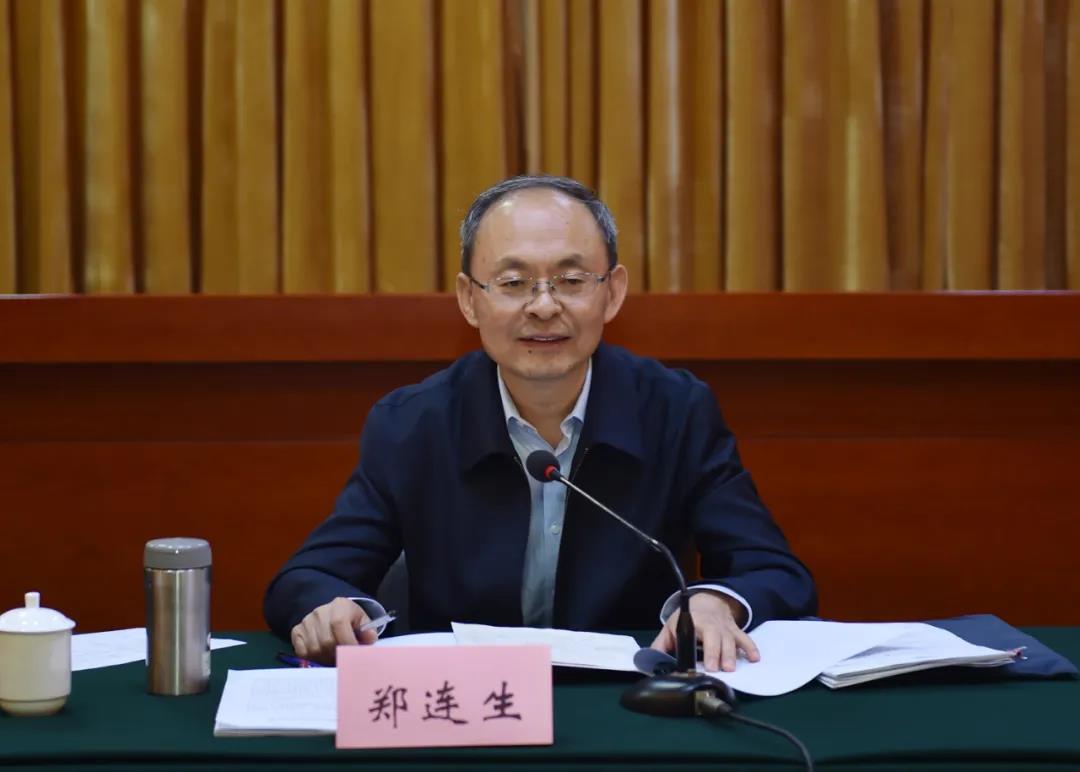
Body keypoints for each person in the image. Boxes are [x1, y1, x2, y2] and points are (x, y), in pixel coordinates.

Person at [264, 175, 817, 670]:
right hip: (467, 709)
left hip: (626, 705)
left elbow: (774, 571)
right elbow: (308, 578)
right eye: (513, 283)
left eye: (571, 280)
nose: (544, 306)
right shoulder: (413, 424)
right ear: (469, 300)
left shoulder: (675, 411)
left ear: (612, 293)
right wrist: (333, 609)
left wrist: (718, 602)